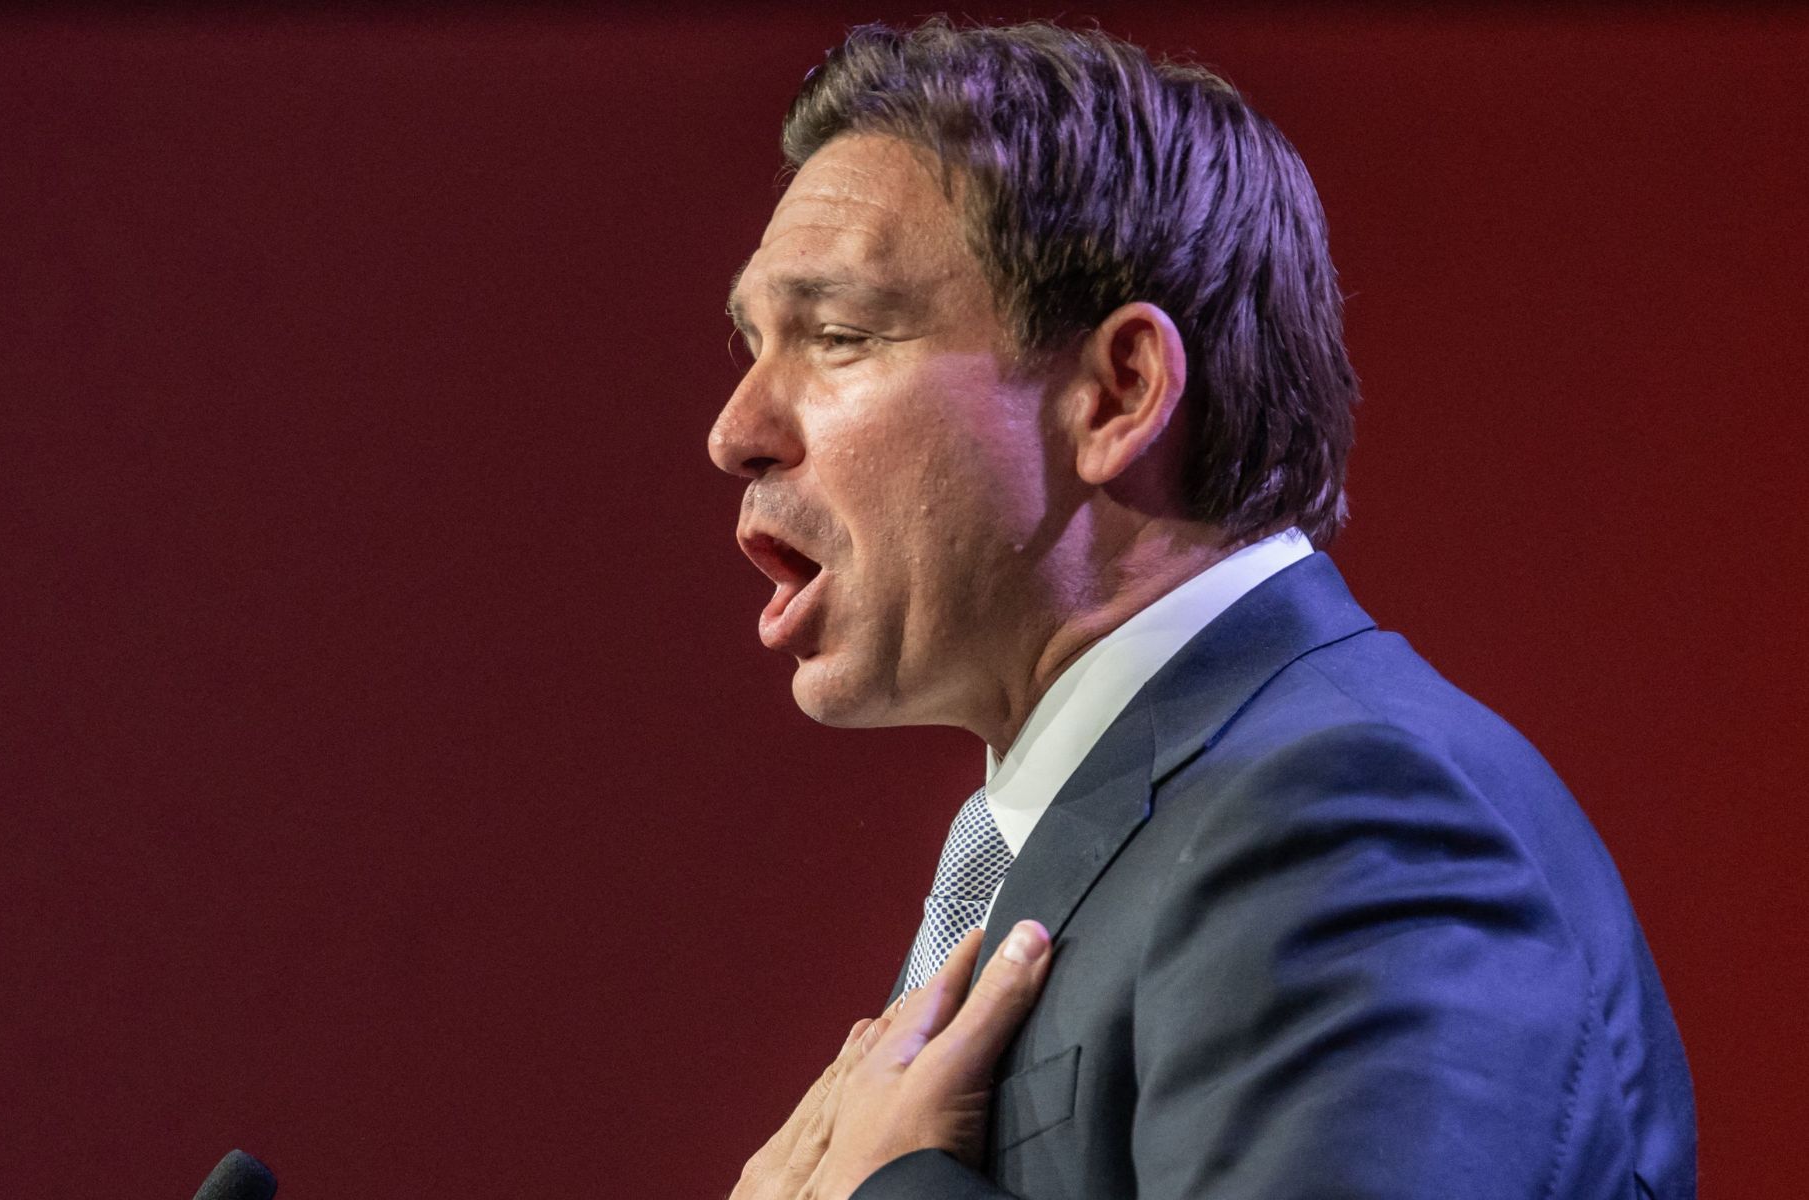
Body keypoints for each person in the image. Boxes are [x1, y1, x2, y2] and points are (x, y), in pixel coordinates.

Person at [707, 19, 1695, 1200]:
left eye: (838, 335)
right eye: (752, 344)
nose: (736, 430)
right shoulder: (1143, 826)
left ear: (1117, 393)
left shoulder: (1344, 819)